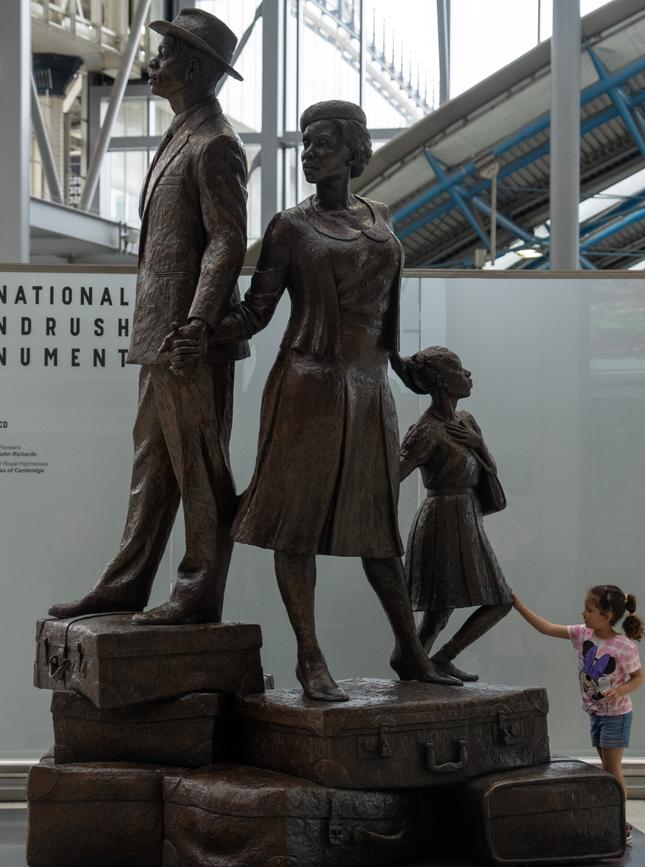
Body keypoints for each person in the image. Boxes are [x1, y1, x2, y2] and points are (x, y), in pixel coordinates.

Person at [172, 100, 461, 700]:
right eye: (304, 144)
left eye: (323, 143)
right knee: (295, 527)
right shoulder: (289, 227)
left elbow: (388, 307)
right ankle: (310, 657)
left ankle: (410, 652)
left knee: (380, 530)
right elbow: (257, 311)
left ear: (354, 151)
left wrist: (407, 368)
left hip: (371, 387)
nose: (310, 153)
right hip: (308, 387)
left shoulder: (379, 217)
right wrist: (203, 327)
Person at [48, 9, 249, 626]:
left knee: (199, 468)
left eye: (164, 56)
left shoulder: (215, 141)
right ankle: (127, 583)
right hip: (160, 337)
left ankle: (197, 592)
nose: (153, 64)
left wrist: (197, 322)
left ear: (191, 68)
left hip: (188, 340)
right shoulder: (184, 132)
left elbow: (226, 241)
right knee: (152, 465)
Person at [392, 347, 513, 680]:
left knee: (475, 604)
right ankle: (418, 659)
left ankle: (429, 658)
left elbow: (487, 469)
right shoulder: (426, 430)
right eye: (460, 370)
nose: (468, 375)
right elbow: (392, 476)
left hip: (467, 516)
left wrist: (479, 444)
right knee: (443, 608)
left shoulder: (466, 421)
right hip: (442, 520)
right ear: (443, 381)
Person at [513, 586, 645, 844]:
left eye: (589, 609)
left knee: (612, 770)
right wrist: (518, 606)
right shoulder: (583, 634)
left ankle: (619, 821)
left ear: (607, 616)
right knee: (606, 771)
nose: (583, 613)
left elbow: (638, 678)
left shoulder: (623, 646)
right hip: (597, 713)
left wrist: (620, 691)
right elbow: (547, 628)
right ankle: (609, 814)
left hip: (616, 715)